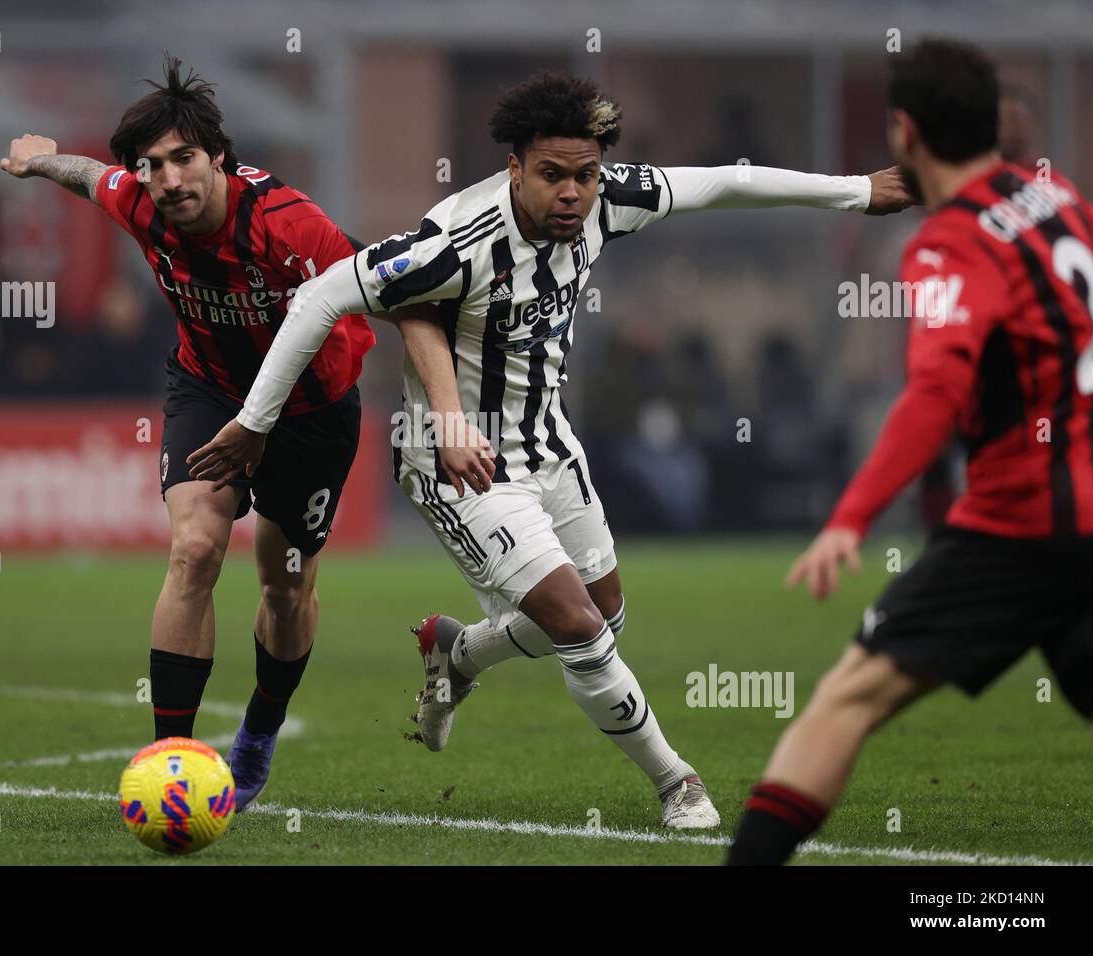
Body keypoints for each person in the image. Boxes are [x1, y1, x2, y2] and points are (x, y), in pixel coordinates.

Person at [188, 71, 910, 828]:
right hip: (459, 469)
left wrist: (856, 192)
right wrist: (255, 421)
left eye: (586, 177)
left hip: (551, 447)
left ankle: (458, 656)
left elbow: (727, 182)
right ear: (515, 169)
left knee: (606, 618)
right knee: (579, 629)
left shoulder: (609, 201)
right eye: (553, 176)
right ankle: (677, 782)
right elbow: (319, 296)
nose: (573, 193)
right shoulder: (454, 243)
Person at [727, 39, 1093, 865]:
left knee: (845, 698)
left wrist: (849, 518)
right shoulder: (1061, 198)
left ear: (906, 134)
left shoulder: (948, 243)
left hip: (1020, 525)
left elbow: (934, 393)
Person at [0, 54, 380, 809]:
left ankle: (258, 736)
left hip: (311, 416)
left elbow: (396, 291)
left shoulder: (290, 227)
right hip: (208, 388)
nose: (170, 180)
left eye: (184, 160)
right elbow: (89, 177)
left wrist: (455, 405)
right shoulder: (138, 201)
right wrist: (43, 162)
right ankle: (169, 759)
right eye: (152, 167)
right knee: (195, 548)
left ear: (218, 158)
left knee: (284, 586)